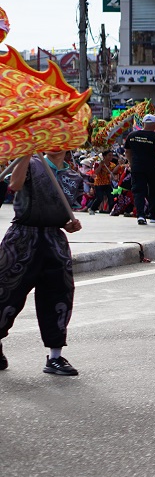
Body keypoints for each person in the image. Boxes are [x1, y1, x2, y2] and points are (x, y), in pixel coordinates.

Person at [0, 154, 84, 376]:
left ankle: (55, 357)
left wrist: (69, 225)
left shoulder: (73, 176)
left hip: (54, 241)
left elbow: (65, 214)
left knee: (59, 296)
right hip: (21, 239)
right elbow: (14, 185)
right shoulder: (31, 162)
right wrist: (25, 155)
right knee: (6, 295)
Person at [123, 114, 155, 225]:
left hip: (137, 168)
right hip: (153, 168)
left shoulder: (132, 135)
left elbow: (127, 152)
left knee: (138, 191)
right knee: (154, 191)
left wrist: (131, 163)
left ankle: (140, 215)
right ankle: (154, 215)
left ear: (143, 124)